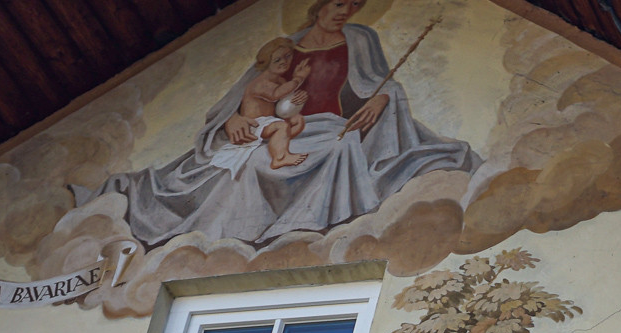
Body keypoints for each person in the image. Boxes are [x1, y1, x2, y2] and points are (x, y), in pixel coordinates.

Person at [76, 0, 479, 246]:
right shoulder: (283, 49)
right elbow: (242, 95)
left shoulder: (359, 39)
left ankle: (318, 225)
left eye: (354, 5)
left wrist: (381, 98)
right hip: (274, 124)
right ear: (318, 7)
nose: (346, 11)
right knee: (247, 163)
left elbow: (378, 81)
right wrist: (235, 118)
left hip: (326, 124)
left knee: (342, 146)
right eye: (339, 3)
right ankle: (239, 233)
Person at [215, 40, 312, 172]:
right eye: (277, 60)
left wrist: (299, 98)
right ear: (266, 63)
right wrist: (298, 78)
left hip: (268, 121)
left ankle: (279, 143)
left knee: (298, 120)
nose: (284, 62)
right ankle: (279, 157)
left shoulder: (281, 80)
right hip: (255, 125)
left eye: (288, 56)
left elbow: (284, 102)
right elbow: (275, 94)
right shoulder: (260, 83)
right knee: (281, 126)